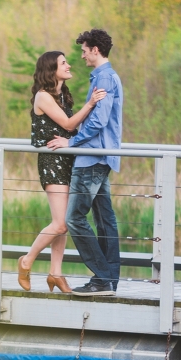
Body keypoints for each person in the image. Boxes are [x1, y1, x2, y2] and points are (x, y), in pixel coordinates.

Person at [17, 51, 105, 294]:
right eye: (63, 62)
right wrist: (91, 103)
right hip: (53, 162)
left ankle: (56, 273)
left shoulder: (63, 96)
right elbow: (68, 125)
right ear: (51, 69)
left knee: (63, 223)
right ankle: (26, 261)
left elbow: (69, 131)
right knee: (60, 223)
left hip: (68, 160)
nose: (68, 65)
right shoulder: (43, 96)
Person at [45, 27, 122, 293]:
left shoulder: (104, 78)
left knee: (75, 219)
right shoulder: (106, 77)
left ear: (95, 50)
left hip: (91, 158)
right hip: (100, 156)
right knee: (104, 220)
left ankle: (102, 278)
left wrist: (71, 142)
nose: (82, 56)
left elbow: (99, 121)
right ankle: (108, 280)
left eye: (84, 51)